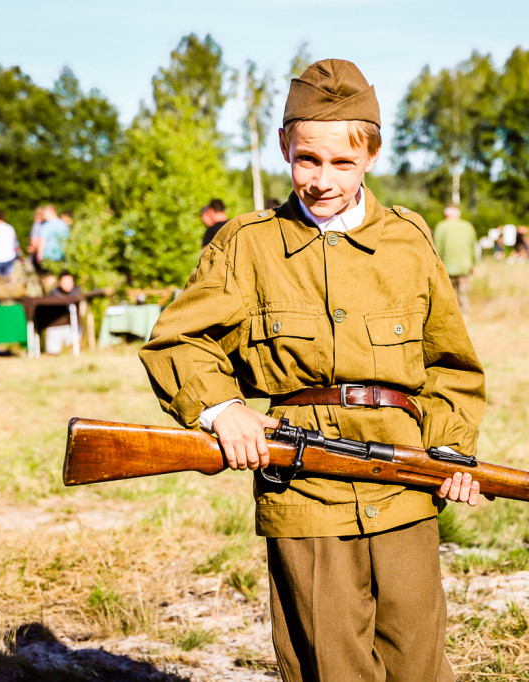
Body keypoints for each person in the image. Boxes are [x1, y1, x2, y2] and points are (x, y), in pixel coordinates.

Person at [140, 58, 486, 682]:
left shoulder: (409, 241)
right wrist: (224, 410)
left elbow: (451, 365)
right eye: (307, 159)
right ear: (283, 147)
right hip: (304, 491)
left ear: (372, 155)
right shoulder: (247, 244)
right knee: (330, 665)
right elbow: (177, 341)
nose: (322, 179)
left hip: (406, 481)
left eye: (342, 163)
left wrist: (453, 450)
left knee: (418, 659)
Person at [432, 205, 477, 317]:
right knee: (463, 297)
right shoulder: (468, 226)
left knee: (446, 298)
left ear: (446, 214)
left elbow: (437, 249)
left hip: (446, 269)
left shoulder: (441, 226)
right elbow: (473, 247)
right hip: (464, 268)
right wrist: (473, 265)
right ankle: (464, 323)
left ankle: (449, 323)